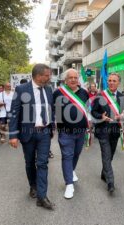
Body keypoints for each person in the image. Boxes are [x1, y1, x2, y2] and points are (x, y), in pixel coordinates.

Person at [9, 64, 55, 210]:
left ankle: (42, 196)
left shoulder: (48, 89)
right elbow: (14, 112)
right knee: (29, 163)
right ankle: (33, 186)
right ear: (38, 76)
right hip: (27, 133)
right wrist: (13, 135)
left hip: (44, 133)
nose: (49, 78)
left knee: (42, 163)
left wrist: (52, 123)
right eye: (47, 75)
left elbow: (51, 109)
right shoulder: (21, 89)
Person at [53, 69, 89, 199]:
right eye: (71, 78)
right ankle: (69, 184)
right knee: (67, 156)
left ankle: (71, 171)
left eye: (75, 77)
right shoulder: (58, 93)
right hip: (65, 132)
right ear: (66, 80)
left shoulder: (84, 93)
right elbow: (53, 110)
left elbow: (87, 110)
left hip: (81, 131)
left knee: (76, 154)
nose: (73, 80)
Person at [91, 73, 124, 194]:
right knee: (106, 154)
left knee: (110, 155)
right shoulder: (100, 95)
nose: (111, 82)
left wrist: (122, 116)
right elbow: (93, 112)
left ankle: (104, 174)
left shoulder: (121, 96)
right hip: (103, 130)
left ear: (118, 83)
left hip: (115, 131)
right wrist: (101, 116)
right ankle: (110, 182)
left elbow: (123, 112)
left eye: (114, 81)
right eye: (109, 80)